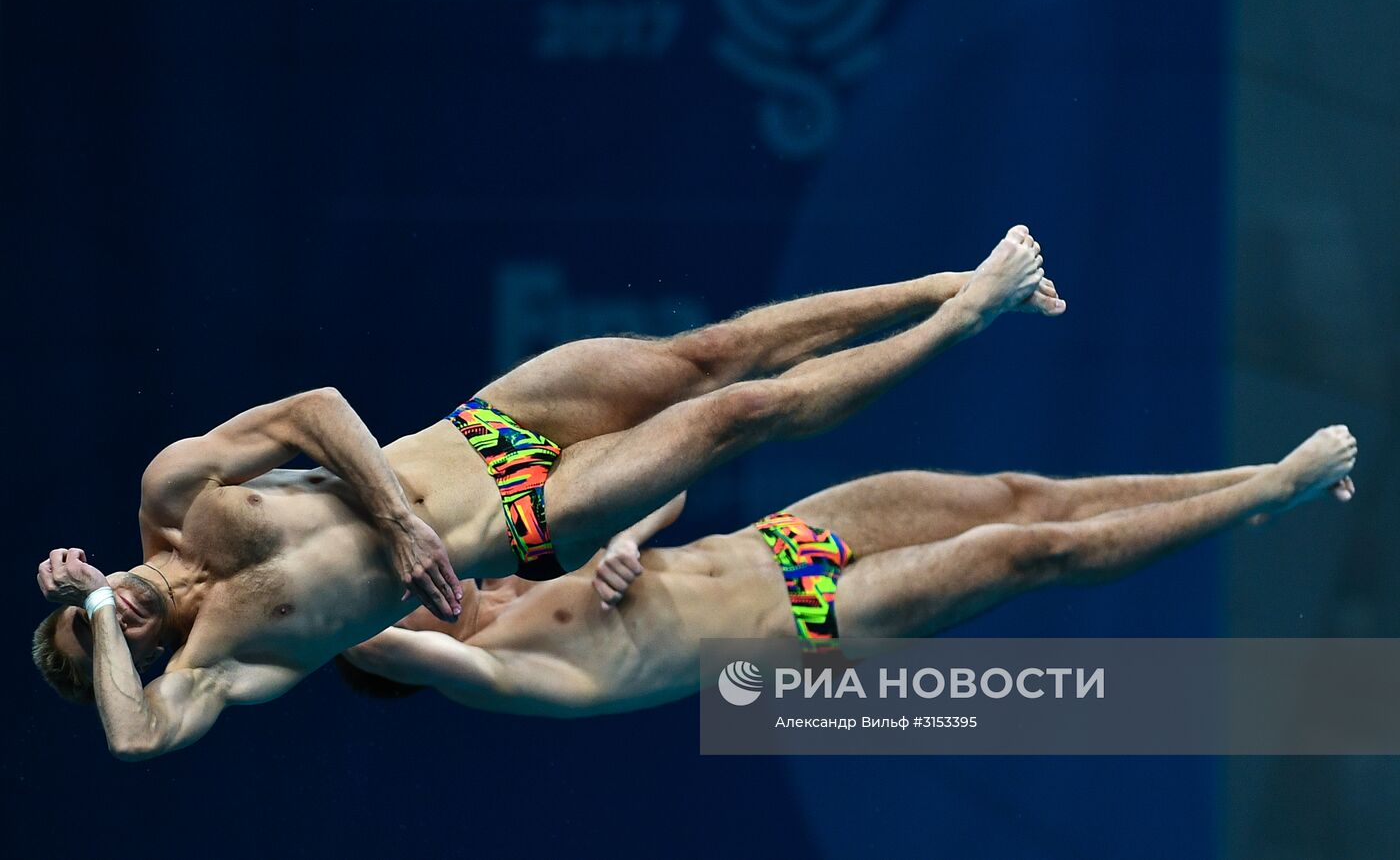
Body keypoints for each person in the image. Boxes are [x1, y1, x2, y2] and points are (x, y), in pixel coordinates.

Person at [32, 226, 1060, 759]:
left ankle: (937, 282)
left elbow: (315, 408)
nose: (113, 611)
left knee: (714, 351)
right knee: (734, 418)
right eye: (106, 631)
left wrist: (393, 520)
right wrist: (94, 620)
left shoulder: (175, 487)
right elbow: (139, 739)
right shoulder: (232, 658)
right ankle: (959, 321)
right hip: (526, 515)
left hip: (486, 426)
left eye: (98, 604)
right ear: (142, 654)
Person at [336, 428, 1357, 715]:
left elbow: (665, 493)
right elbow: (357, 632)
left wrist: (624, 542)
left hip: (793, 537)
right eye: (413, 620)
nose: (445, 588)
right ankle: (1269, 500)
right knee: (1027, 552)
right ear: (414, 656)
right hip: (814, 623)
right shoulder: (504, 675)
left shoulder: (505, 585)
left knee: (1020, 494)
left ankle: (1261, 475)